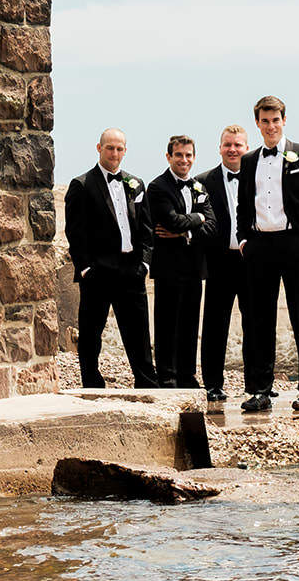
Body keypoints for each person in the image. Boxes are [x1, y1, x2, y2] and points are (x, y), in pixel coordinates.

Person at [236, 95, 299, 412]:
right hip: (259, 245)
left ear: (284, 121)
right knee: (260, 320)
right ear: (257, 123)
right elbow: (244, 205)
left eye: (276, 120)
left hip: (293, 243)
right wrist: (244, 239)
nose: (271, 126)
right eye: (265, 120)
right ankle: (261, 389)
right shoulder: (249, 161)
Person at [63, 128, 157, 389]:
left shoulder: (136, 183)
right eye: (110, 148)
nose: (114, 153)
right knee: (92, 334)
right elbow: (75, 232)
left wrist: (145, 264)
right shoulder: (82, 185)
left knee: (138, 333)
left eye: (119, 149)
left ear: (125, 151)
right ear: (99, 148)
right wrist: (85, 269)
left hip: (132, 271)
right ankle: (92, 385)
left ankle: (147, 384)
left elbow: (146, 229)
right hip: (98, 272)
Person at [147, 135, 218, 388]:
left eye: (188, 155)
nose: (184, 160)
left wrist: (186, 232)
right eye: (179, 155)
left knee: (190, 324)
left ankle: (187, 376)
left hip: (194, 267)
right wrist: (197, 219)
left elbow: (213, 227)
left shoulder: (199, 187)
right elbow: (170, 221)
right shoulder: (157, 187)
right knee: (167, 324)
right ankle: (166, 376)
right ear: (169, 157)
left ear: (194, 157)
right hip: (168, 267)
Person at [195, 124, 249, 403]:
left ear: (246, 148)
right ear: (220, 148)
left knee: (256, 324)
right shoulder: (203, 181)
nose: (232, 149)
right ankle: (213, 384)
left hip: (252, 262)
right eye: (228, 144)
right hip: (219, 263)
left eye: (238, 145)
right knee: (215, 326)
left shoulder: (258, 178)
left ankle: (257, 384)